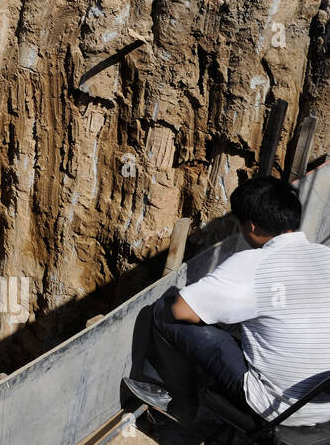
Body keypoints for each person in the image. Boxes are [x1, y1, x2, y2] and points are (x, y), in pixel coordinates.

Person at [125, 176, 330, 427]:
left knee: (164, 310)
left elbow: (182, 310)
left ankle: (178, 404)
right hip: (325, 404)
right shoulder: (325, 256)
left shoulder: (253, 265)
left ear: (252, 226)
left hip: (280, 408)